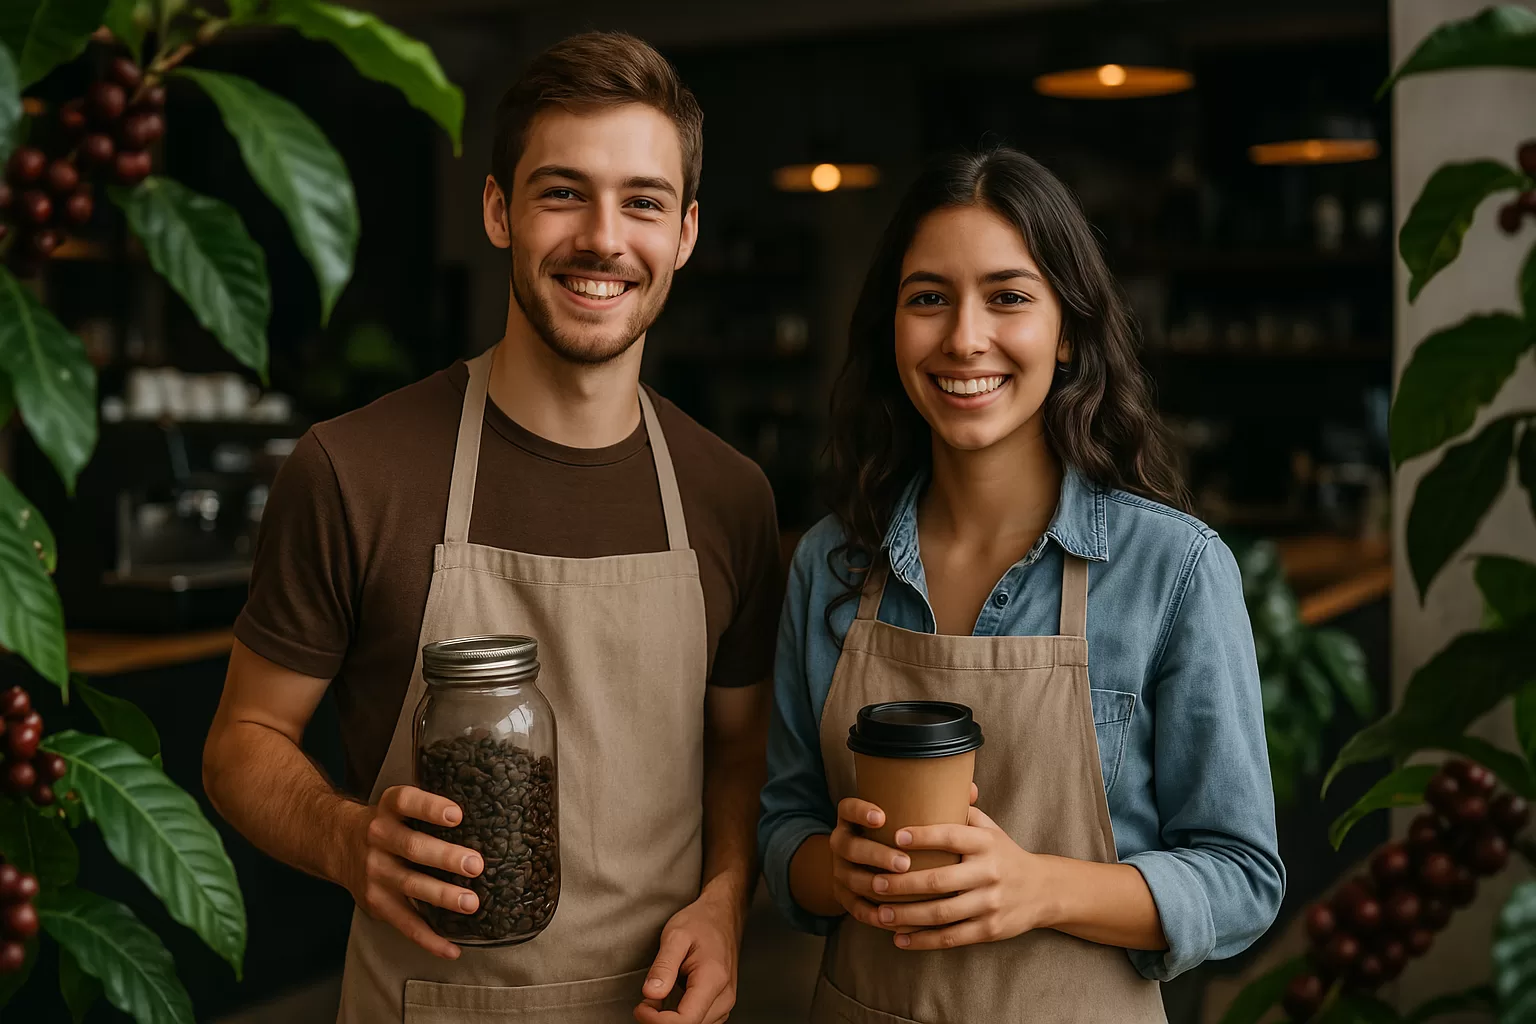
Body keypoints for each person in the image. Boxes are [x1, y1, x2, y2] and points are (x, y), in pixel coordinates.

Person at [203, 32, 781, 1024]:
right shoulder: (355, 470)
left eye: (642, 201)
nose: (604, 237)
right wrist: (349, 841)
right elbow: (241, 742)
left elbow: (738, 750)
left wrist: (727, 901)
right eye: (563, 192)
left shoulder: (731, 496)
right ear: (498, 210)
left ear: (684, 231)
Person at [758, 147, 1284, 1022]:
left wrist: (1038, 889)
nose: (965, 337)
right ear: (892, 328)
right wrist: (833, 869)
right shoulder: (829, 564)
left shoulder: (1174, 570)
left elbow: (1242, 877)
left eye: (1008, 297)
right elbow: (785, 825)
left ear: (1067, 330)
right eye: (928, 297)